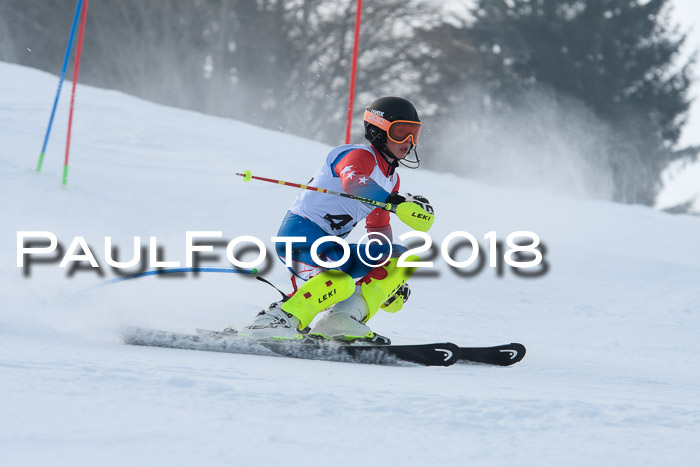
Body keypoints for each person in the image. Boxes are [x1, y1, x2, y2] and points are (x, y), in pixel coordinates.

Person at [239, 96, 434, 343]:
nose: (408, 141)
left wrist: (386, 281)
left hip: (332, 248)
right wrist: (392, 200)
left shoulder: (390, 179)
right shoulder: (358, 155)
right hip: (300, 238)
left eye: (413, 133)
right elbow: (352, 181)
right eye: (400, 132)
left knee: (401, 258)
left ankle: (340, 320)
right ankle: (274, 320)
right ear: (377, 131)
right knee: (339, 283)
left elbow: (378, 227)